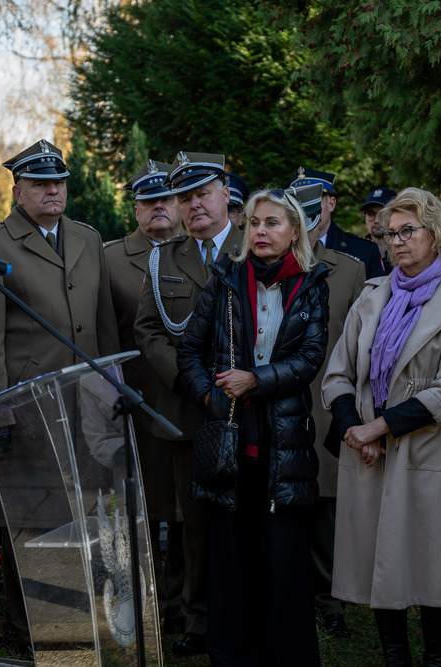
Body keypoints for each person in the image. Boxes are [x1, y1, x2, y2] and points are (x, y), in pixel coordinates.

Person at [0, 138, 119, 644]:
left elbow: (103, 325)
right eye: (40, 183)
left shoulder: (88, 238)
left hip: (87, 406)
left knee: (84, 512)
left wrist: (113, 392)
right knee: (30, 519)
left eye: (58, 182)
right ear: (17, 190)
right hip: (28, 411)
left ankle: (81, 616)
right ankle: (30, 623)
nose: (52, 190)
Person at [323, 187, 441, 667]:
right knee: (376, 555)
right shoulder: (373, 294)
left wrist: (377, 430)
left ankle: (434, 658)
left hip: (428, 446)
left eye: (407, 231)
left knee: (436, 556)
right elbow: (338, 373)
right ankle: (395, 657)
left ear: (435, 235)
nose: (397, 242)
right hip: (369, 446)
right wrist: (355, 429)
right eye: (391, 234)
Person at [176, 187, 330, 667]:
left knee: (284, 555)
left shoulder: (310, 283)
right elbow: (189, 350)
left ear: (294, 233)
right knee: (233, 551)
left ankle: (285, 655)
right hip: (231, 436)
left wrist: (254, 381)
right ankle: (232, 654)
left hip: (284, 437)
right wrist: (210, 395)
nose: (261, 231)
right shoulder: (225, 278)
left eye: (273, 224)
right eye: (256, 223)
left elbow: (309, 359)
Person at [134, 151, 244, 656]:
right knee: (195, 523)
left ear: (225, 193)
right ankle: (199, 621)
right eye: (184, 197)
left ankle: (247, 613)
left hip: (249, 409)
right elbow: (149, 330)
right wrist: (192, 382)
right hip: (188, 411)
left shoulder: (254, 246)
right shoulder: (164, 259)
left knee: (246, 518)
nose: (193, 205)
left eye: (202, 193)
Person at [104, 159, 185, 631]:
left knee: (185, 511)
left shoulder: (196, 252)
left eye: (167, 199)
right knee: (144, 509)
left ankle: (183, 604)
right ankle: (146, 605)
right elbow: (100, 335)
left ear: (178, 205)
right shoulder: (111, 257)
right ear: (135, 208)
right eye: (149, 200)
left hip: (192, 401)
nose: (159, 207)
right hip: (136, 403)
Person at [287, 182, 366, 639]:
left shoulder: (350, 270)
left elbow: (361, 347)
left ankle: (331, 599)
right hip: (275, 403)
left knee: (326, 510)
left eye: (311, 212)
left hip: (325, 406)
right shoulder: (259, 267)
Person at [285, 166, 384, 278]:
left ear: (331, 204)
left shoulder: (364, 251)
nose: (304, 209)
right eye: (298, 202)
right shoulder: (282, 249)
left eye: (313, 200)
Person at [359, 187, 396, 275]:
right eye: (371, 213)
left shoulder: (404, 251)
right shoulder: (356, 251)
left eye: (382, 213)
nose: (376, 220)